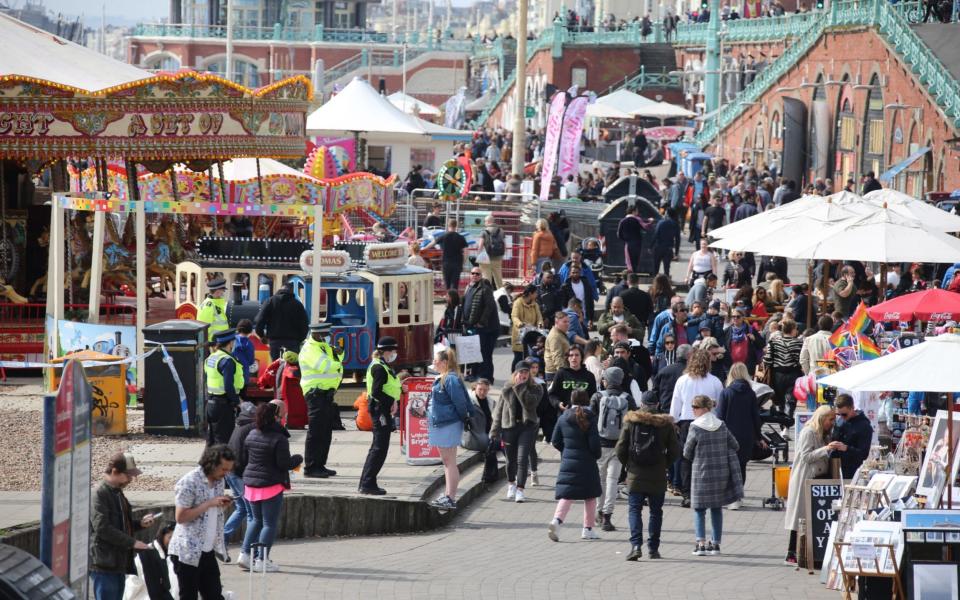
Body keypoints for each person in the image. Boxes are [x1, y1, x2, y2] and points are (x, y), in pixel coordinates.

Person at [616, 391, 680, 561]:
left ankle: (636, 545)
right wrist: (664, 464)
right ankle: (653, 548)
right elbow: (675, 451)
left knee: (634, 510)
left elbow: (620, 448)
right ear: (657, 405)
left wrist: (629, 465)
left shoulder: (631, 421)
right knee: (656, 512)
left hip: (635, 474)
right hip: (657, 475)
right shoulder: (665, 424)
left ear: (642, 404)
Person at [239, 403, 302, 572]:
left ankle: (244, 554)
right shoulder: (279, 439)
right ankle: (261, 560)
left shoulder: (251, 433)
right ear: (276, 417)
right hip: (270, 485)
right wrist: (297, 459)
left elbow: (245, 458)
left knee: (255, 520)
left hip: (250, 484)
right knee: (269, 524)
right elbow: (284, 464)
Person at [167, 445, 235, 599]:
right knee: (188, 596)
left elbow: (209, 515)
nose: (226, 474)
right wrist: (209, 503)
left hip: (207, 550)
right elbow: (181, 517)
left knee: (215, 595)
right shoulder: (189, 482)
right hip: (187, 552)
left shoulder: (219, 481)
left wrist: (221, 506)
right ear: (211, 464)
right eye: (223, 469)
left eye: (228, 470)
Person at [684, 395, 743, 556]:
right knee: (716, 508)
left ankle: (701, 543)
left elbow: (687, 452)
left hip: (701, 472)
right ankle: (715, 544)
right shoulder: (721, 425)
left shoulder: (695, 427)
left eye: (695, 407)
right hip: (720, 472)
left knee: (699, 509)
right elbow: (735, 445)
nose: (693, 409)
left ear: (703, 408)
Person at [90, 453, 153, 600]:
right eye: (128, 475)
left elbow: (120, 524)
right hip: (103, 563)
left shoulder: (117, 492)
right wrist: (133, 542)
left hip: (117, 562)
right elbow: (102, 528)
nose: (130, 479)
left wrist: (139, 524)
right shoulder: (98, 493)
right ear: (114, 471)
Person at [784, 405, 839, 565]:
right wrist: (826, 449)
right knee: (798, 517)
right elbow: (806, 456)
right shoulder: (808, 432)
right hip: (805, 478)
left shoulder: (824, 433)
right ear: (822, 418)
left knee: (810, 516)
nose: (832, 423)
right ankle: (791, 551)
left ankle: (805, 551)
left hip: (817, 478)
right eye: (831, 419)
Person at [670, 349, 724, 506]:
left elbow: (676, 403)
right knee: (706, 459)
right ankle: (706, 491)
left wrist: (674, 421)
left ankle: (687, 493)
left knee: (686, 458)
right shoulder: (715, 381)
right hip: (708, 422)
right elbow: (719, 405)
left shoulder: (682, 380)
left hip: (687, 421)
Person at [548, 389, 603, 541]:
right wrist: (596, 455)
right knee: (590, 496)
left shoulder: (563, 417)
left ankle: (556, 521)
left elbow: (555, 440)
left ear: (571, 400)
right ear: (587, 400)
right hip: (587, 462)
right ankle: (588, 529)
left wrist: (566, 451)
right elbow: (594, 443)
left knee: (567, 494)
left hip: (568, 460)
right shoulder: (590, 417)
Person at [490, 360, 543, 503]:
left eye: (526, 372)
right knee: (510, 460)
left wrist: (521, 388)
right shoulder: (507, 388)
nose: (523, 375)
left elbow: (530, 403)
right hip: (509, 428)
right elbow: (499, 411)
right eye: (521, 372)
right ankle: (511, 484)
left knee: (522, 459)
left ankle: (520, 489)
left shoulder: (536, 388)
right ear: (515, 373)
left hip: (527, 427)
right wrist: (494, 431)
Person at [428, 349, 474, 509]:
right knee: (447, 462)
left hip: (448, 424)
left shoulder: (450, 379)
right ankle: (448, 495)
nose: (433, 363)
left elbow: (460, 403)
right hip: (444, 423)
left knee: (449, 462)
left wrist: (463, 418)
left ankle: (450, 496)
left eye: (436, 360)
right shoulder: (444, 378)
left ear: (444, 363)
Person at [296, 322, 343, 478]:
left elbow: (336, 357)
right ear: (316, 334)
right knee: (315, 432)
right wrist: (338, 363)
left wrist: (339, 353)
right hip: (315, 394)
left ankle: (320, 464)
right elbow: (325, 365)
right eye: (325, 334)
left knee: (325, 432)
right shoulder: (309, 349)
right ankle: (310, 467)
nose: (327, 337)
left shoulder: (323, 346)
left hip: (326, 394)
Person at [591, 367, 634, 532]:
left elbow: (591, 420)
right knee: (613, 481)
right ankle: (608, 516)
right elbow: (632, 422)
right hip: (619, 445)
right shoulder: (627, 398)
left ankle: (598, 512)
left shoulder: (597, 396)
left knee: (600, 480)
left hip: (600, 445)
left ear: (606, 380)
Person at [359, 337, 401, 495]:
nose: (395, 354)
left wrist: (395, 397)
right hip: (380, 411)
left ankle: (367, 481)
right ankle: (368, 483)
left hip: (382, 409)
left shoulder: (382, 365)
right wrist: (391, 401)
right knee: (379, 448)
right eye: (394, 351)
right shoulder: (379, 368)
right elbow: (376, 391)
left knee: (377, 448)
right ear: (387, 351)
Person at [716, 363, 763, 505]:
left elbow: (720, 417)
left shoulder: (726, 393)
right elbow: (756, 417)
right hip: (746, 436)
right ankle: (738, 496)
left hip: (728, 436)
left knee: (728, 467)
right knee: (741, 466)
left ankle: (730, 497)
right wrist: (758, 437)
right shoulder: (751, 394)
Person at [224, 400, 256, 559]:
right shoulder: (252, 428)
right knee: (252, 514)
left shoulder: (240, 425)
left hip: (230, 472)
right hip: (239, 474)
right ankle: (247, 552)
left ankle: (222, 540)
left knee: (242, 509)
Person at [204, 329, 244, 447]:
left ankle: (206, 464)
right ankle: (219, 464)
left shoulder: (212, 358)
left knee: (211, 441)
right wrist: (237, 401)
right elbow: (228, 385)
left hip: (210, 405)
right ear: (230, 343)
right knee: (223, 442)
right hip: (223, 406)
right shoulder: (227, 361)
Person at [254, 283, 309, 360]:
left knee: (275, 367)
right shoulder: (298, 304)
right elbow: (305, 325)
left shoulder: (270, 301)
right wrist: (299, 340)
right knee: (291, 368)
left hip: (275, 342)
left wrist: (262, 336)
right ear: (292, 291)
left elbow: (259, 321)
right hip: (292, 343)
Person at [123, 521, 177, 600]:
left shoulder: (171, 557)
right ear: (162, 535)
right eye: (170, 537)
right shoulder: (146, 555)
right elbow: (133, 584)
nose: (173, 542)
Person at [462, 266, 499, 382]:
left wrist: (481, 322)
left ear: (481, 276)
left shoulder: (485, 289)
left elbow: (489, 307)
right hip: (472, 326)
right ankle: (474, 374)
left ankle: (485, 377)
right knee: (474, 353)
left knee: (485, 353)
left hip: (486, 329)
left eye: (477, 274)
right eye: (473, 273)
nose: (475, 275)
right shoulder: (468, 287)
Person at [763, 319, 804, 416]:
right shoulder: (798, 343)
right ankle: (789, 417)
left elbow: (767, 360)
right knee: (791, 399)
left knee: (780, 400)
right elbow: (801, 360)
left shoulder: (773, 342)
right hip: (793, 374)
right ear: (793, 330)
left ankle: (782, 421)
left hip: (777, 375)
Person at [831, 393, 874, 479]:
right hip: (835, 467)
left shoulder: (864, 426)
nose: (842, 417)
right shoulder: (840, 421)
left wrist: (846, 448)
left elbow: (863, 454)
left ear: (852, 408)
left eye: (844, 414)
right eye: (839, 414)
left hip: (852, 472)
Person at [548, 344, 598, 415]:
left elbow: (593, 397)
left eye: (577, 355)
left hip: (584, 415)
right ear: (567, 358)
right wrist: (558, 404)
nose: (574, 358)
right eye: (571, 355)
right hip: (565, 414)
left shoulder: (589, 376)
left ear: (581, 357)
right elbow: (552, 394)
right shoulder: (561, 374)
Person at [423, 219, 469, 291]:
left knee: (447, 284)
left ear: (448, 226)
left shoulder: (443, 236)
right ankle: (454, 299)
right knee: (455, 284)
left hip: (446, 263)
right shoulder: (461, 238)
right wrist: (463, 263)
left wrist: (424, 249)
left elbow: (432, 243)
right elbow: (466, 251)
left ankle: (448, 299)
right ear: (456, 226)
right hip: (457, 263)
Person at [511, 284, 543, 369]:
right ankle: (514, 376)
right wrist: (520, 324)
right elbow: (514, 316)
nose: (537, 295)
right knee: (518, 358)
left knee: (528, 358)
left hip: (531, 335)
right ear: (530, 294)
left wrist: (540, 325)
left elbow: (539, 317)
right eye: (535, 293)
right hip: (519, 335)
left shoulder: (535, 304)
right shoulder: (518, 303)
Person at [618, 202, 653, 273]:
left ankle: (629, 278)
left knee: (629, 262)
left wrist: (626, 240)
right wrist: (651, 222)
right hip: (637, 244)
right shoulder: (637, 219)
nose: (638, 212)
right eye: (637, 211)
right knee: (635, 262)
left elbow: (619, 234)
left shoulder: (622, 221)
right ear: (633, 211)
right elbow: (645, 227)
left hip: (628, 244)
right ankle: (634, 276)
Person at [560, 265, 596, 331]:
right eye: (573, 272)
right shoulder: (565, 286)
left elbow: (590, 302)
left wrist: (591, 318)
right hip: (571, 318)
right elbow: (563, 303)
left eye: (577, 272)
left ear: (580, 273)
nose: (575, 274)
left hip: (585, 317)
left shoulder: (586, 284)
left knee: (584, 336)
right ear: (570, 273)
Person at [477, 214, 507, 288]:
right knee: (499, 280)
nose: (484, 223)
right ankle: (501, 296)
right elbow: (505, 245)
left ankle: (488, 296)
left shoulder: (484, 232)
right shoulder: (501, 231)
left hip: (486, 259)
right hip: (498, 259)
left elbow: (480, 246)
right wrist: (502, 256)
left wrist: (478, 255)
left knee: (487, 280)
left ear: (487, 222)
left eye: (485, 221)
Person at [650, 208, 680, 277]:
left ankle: (655, 282)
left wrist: (650, 246)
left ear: (667, 214)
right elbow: (678, 239)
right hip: (668, 248)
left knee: (656, 267)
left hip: (658, 247)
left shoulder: (661, 222)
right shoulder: (676, 224)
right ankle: (666, 284)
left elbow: (656, 235)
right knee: (666, 268)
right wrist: (676, 252)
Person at [197, 277, 229, 342]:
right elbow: (205, 327)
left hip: (220, 340)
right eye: (223, 291)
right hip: (213, 342)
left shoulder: (217, 303)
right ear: (217, 291)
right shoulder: (208, 306)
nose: (223, 293)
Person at [544, 311, 572, 381]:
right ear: (556, 322)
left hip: (559, 371)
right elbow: (557, 357)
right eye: (564, 322)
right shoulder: (555, 336)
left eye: (568, 322)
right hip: (555, 373)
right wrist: (564, 374)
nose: (568, 324)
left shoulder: (560, 333)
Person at [231, 319, 255, 389]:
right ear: (250, 330)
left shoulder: (232, 341)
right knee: (243, 397)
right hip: (243, 377)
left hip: (232, 375)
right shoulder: (249, 344)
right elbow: (251, 361)